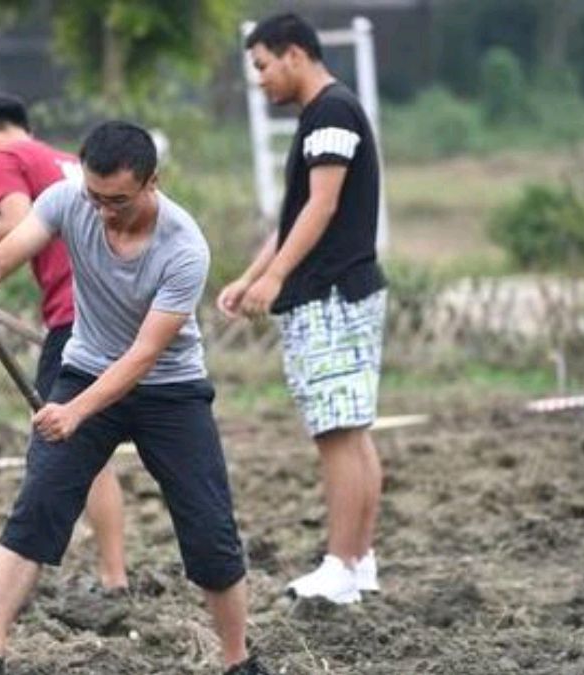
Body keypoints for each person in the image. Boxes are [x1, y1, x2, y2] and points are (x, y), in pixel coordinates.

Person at [0, 122, 270, 675]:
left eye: (119, 201)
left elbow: (143, 356)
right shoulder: (65, 200)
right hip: (85, 369)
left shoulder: (184, 247)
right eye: (95, 197)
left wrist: (75, 412)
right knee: (38, 505)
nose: (104, 211)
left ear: (153, 181)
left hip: (168, 390)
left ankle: (238, 661)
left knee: (209, 530)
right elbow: (1, 260)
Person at [217, 12, 387, 605]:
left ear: (293, 54)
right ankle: (359, 560)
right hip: (339, 291)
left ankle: (340, 566)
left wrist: (279, 277)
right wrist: (250, 276)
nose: (260, 80)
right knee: (351, 431)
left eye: (263, 66)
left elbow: (322, 207)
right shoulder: (323, 116)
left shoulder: (331, 113)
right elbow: (296, 217)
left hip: (330, 295)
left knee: (337, 433)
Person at [0, 93, 128, 592]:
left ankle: (21, 591)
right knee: (90, 449)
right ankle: (113, 577)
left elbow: (12, 224)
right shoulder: (71, 162)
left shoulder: (4, 156)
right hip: (114, 311)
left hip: (75, 317)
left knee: (58, 449)